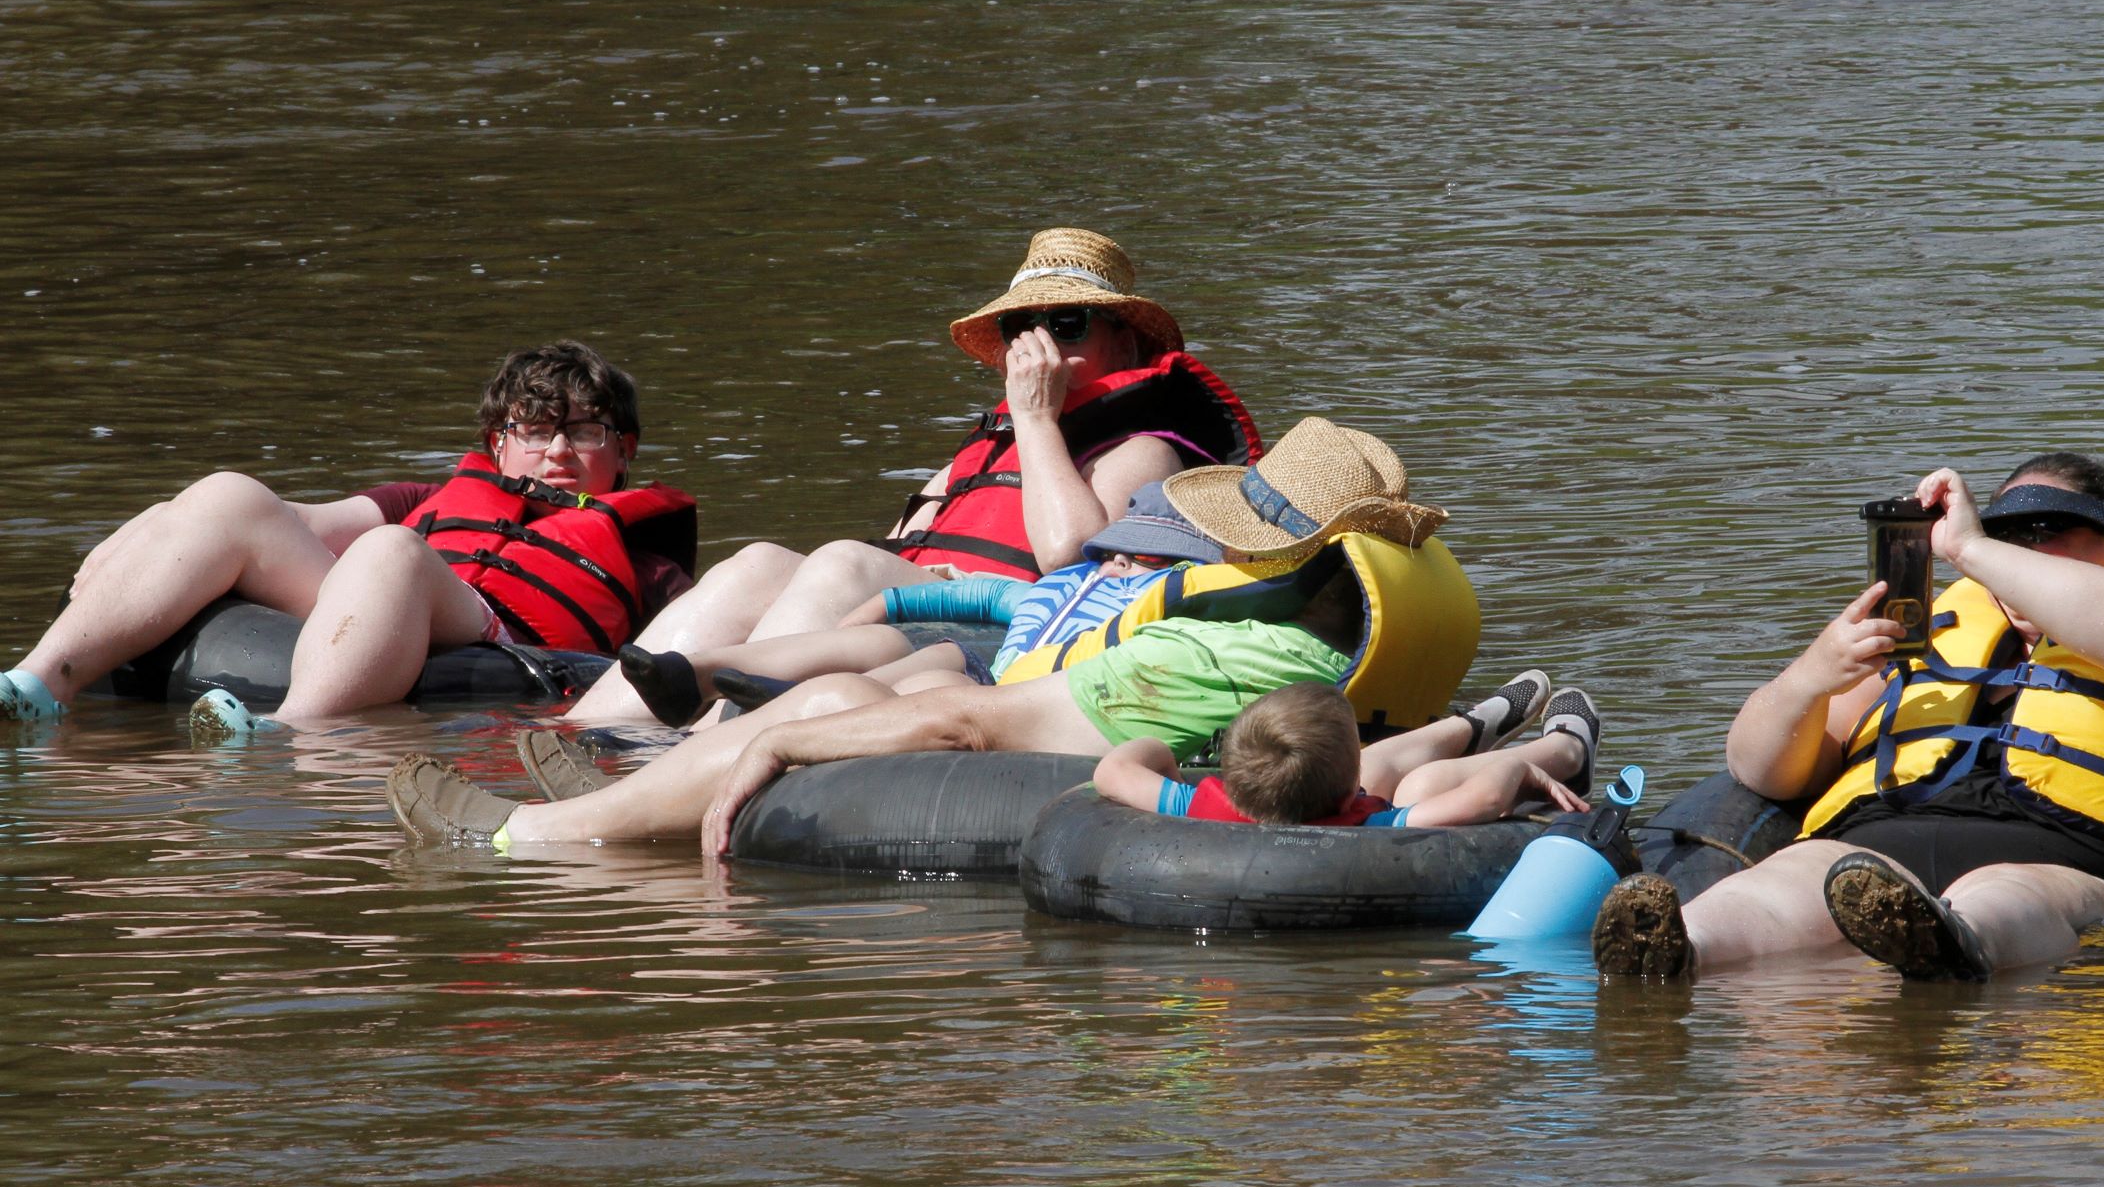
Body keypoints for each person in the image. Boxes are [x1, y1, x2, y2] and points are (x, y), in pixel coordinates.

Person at [387, 418, 1475, 853]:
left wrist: (778, 746)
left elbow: (965, 725)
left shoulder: (1229, 652)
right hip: (1051, 741)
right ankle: (619, 813)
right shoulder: (1319, 644)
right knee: (834, 696)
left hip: (1019, 780)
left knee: (813, 712)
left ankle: (517, 844)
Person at [1593, 453, 2104, 982]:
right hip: (1876, 844)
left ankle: (1953, 944)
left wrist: (1971, 549)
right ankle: (1674, 951)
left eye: (2043, 531)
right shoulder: (1926, 638)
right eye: (2003, 533)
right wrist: (1812, 676)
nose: (2018, 551)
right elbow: (1757, 768)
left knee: (2000, 895)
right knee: (1780, 885)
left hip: (2058, 849)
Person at [560, 228, 1260, 724]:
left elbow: (1066, 559)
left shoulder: (1143, 447)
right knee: (759, 562)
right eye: (1024, 326)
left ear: (1125, 342)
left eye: (1068, 323)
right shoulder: (992, 441)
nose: (1040, 343)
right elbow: (908, 541)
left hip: (1010, 629)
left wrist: (1037, 420)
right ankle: (594, 733)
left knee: (840, 561)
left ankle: (697, 743)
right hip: (912, 606)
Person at [0, 342, 696, 727]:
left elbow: (665, 670)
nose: (557, 452)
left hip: (508, 651)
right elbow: (291, 521)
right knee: (229, 492)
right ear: (497, 441)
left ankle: (286, 734)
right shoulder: (429, 498)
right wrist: (140, 537)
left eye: (584, 432)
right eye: (536, 430)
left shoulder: (647, 563)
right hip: (378, 618)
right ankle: (38, 684)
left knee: (391, 548)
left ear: (623, 449)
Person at [611, 480, 1225, 728]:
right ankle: (690, 676)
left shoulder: (1167, 605)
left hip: (1028, 701)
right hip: (988, 673)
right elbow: (974, 593)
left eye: (1146, 556)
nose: (1120, 561)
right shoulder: (1049, 589)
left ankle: (797, 704)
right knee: (892, 643)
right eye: (1117, 549)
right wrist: (883, 605)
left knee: (941, 664)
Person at [1094, 676, 1601, 829]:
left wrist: (1161, 751)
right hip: (1368, 834)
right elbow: (1487, 800)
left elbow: (1113, 769)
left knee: (1378, 768)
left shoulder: (1201, 806)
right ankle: (1565, 752)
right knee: (1417, 786)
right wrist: (1518, 766)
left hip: (1277, 803)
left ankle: (1468, 727)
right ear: (1344, 801)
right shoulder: (1367, 827)